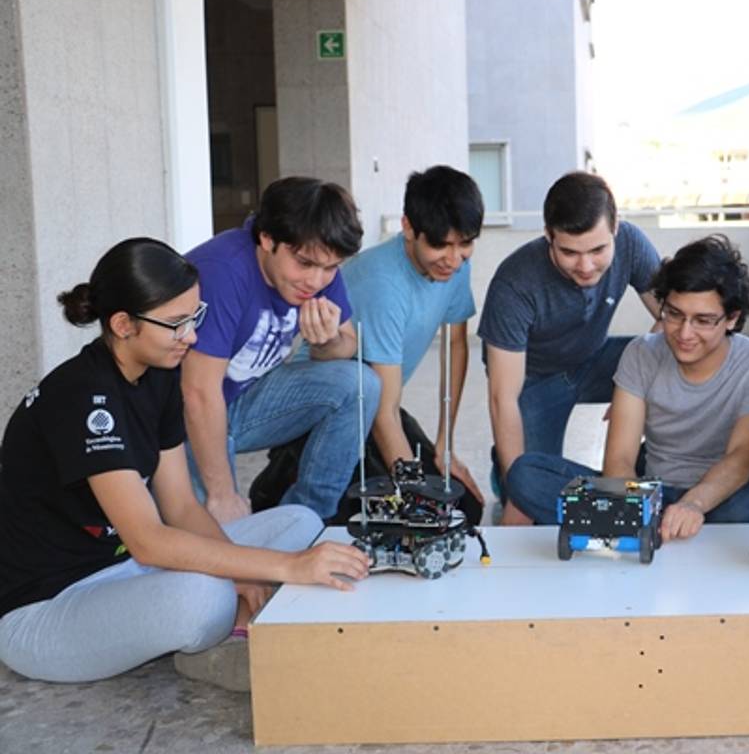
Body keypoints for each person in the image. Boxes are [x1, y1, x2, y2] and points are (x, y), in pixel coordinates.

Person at [0, 239, 369, 691]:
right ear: (123, 324)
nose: (191, 337)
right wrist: (285, 568)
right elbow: (151, 542)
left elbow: (180, 508)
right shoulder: (83, 397)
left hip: (122, 570)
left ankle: (226, 623)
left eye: (194, 318)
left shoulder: (156, 376)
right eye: (176, 324)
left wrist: (243, 571)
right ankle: (214, 638)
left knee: (301, 521)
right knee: (203, 596)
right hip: (48, 608)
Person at [505, 235, 749, 538]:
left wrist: (692, 505)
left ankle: (634, 530)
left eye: (702, 320)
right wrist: (631, 506)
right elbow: (619, 458)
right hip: (649, 494)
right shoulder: (641, 352)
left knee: (747, 506)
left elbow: (741, 459)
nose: (684, 333)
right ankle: (647, 528)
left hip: (717, 500)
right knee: (526, 475)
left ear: (732, 319)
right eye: (674, 314)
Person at [182, 177, 380, 522]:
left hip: (242, 397)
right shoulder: (223, 271)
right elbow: (197, 392)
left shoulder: (318, 267)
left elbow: (348, 343)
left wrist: (327, 340)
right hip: (179, 412)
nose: (316, 281)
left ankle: (303, 522)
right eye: (304, 264)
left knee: (361, 384)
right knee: (220, 537)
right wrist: (222, 493)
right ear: (267, 238)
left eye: (331, 267)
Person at [478, 172, 661, 524]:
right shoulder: (514, 283)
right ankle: (502, 467)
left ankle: (651, 466)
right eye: (570, 253)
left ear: (616, 228)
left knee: (680, 356)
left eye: (597, 250)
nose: (586, 266)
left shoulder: (632, 243)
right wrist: (520, 490)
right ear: (548, 235)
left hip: (596, 358)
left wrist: (635, 383)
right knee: (528, 494)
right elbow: (503, 398)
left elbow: (673, 314)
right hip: (534, 380)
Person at [332, 165, 485, 523]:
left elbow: (457, 344)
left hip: (379, 405)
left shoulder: (456, 265)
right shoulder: (382, 283)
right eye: (440, 245)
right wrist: (420, 502)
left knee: (465, 510)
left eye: (465, 244)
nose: (453, 258)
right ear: (408, 228)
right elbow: (382, 414)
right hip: (335, 411)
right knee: (382, 517)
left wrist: (445, 446)